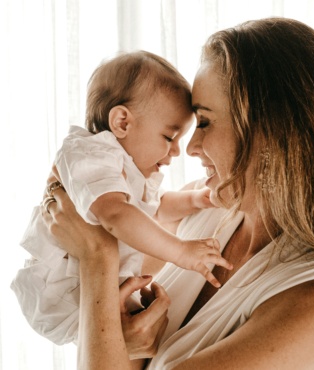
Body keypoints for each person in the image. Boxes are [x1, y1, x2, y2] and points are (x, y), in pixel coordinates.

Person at [21, 17, 314, 369]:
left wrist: (97, 253)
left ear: (270, 132)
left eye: (205, 122)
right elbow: (111, 348)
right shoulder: (199, 211)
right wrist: (125, 341)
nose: (190, 147)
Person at [11, 50, 232, 345]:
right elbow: (116, 215)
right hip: (63, 289)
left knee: (144, 336)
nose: (178, 150)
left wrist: (195, 200)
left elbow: (151, 210)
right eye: (169, 137)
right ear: (122, 123)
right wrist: (181, 252)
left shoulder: (127, 169)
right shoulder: (91, 154)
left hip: (97, 284)